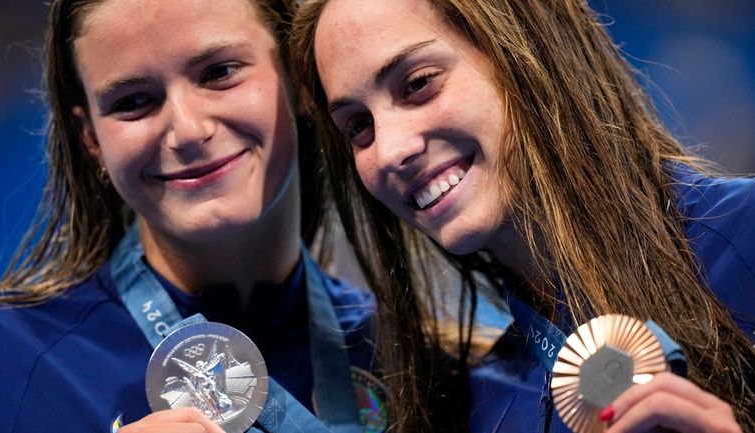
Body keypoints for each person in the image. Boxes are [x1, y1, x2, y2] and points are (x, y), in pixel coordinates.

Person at [290, 0, 755, 432]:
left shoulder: (745, 235)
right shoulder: (481, 404)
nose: (390, 150)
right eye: (358, 126)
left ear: (524, 48)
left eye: (418, 84)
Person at [0, 1, 387, 432]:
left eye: (219, 72)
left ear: (299, 80)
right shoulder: (2, 360)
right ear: (91, 141)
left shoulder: (414, 356)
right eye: (134, 101)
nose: (189, 131)